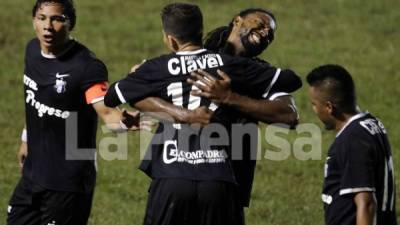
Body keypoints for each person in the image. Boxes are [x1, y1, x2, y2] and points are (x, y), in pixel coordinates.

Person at [104, 3, 300, 225]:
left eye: (271, 33)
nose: (266, 32)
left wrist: (231, 98)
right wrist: (174, 113)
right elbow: (140, 94)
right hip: (185, 172)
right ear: (237, 21)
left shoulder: (257, 72)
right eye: (261, 24)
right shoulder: (205, 54)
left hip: (226, 176)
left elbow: (289, 115)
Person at [7, 1, 140, 225]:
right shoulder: (32, 51)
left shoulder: (86, 67)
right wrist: (26, 138)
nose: (48, 26)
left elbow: (107, 114)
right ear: (33, 21)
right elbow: (36, 100)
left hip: (68, 183)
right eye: (42, 18)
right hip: (33, 174)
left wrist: (126, 122)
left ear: (71, 23)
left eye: (57, 19)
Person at [306, 64, 397, 225]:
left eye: (314, 104)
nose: (314, 109)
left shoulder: (352, 140)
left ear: (329, 107)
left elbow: (366, 204)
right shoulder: (371, 123)